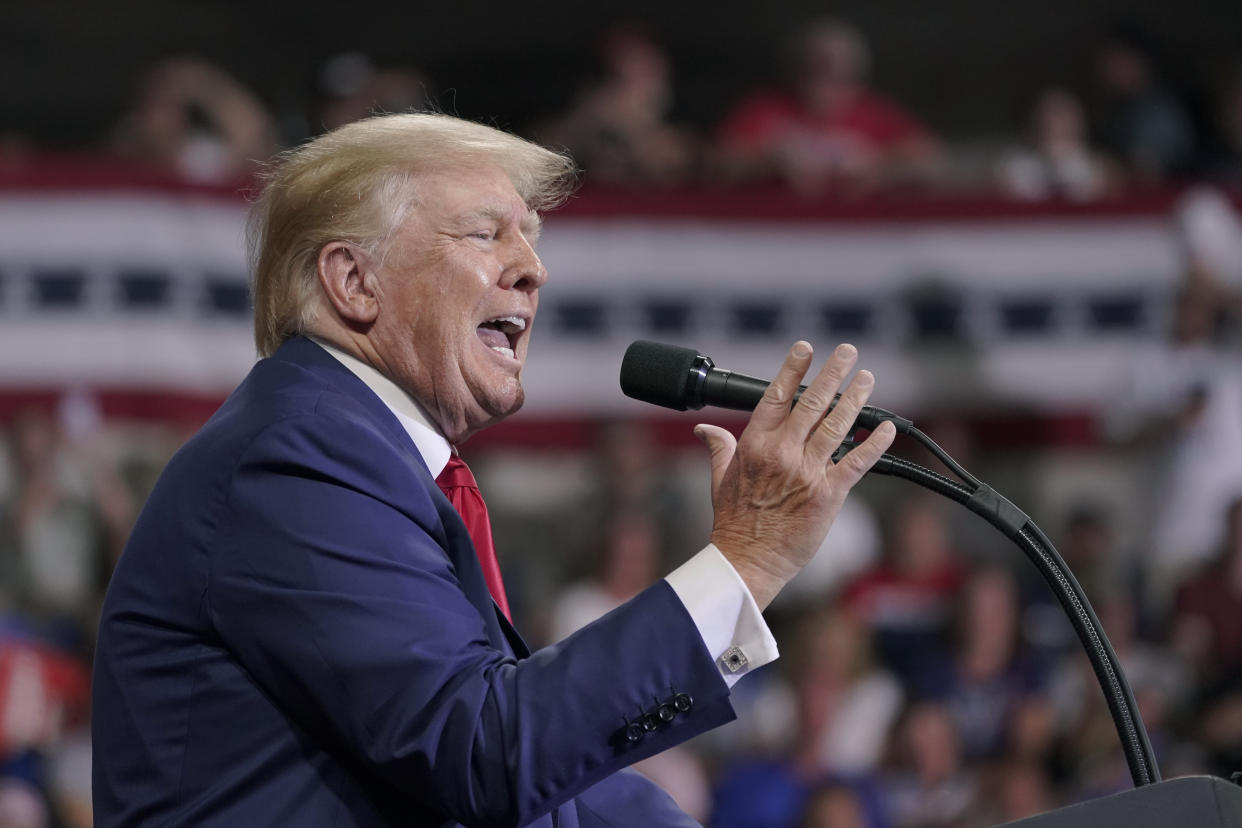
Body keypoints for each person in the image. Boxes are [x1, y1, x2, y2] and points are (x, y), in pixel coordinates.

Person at [90, 112, 896, 827]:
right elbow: (482, 752)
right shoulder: (295, 459)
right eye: (485, 234)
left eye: (532, 239)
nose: (532, 270)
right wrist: (745, 561)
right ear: (353, 282)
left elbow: (545, 790)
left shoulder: (373, 461)